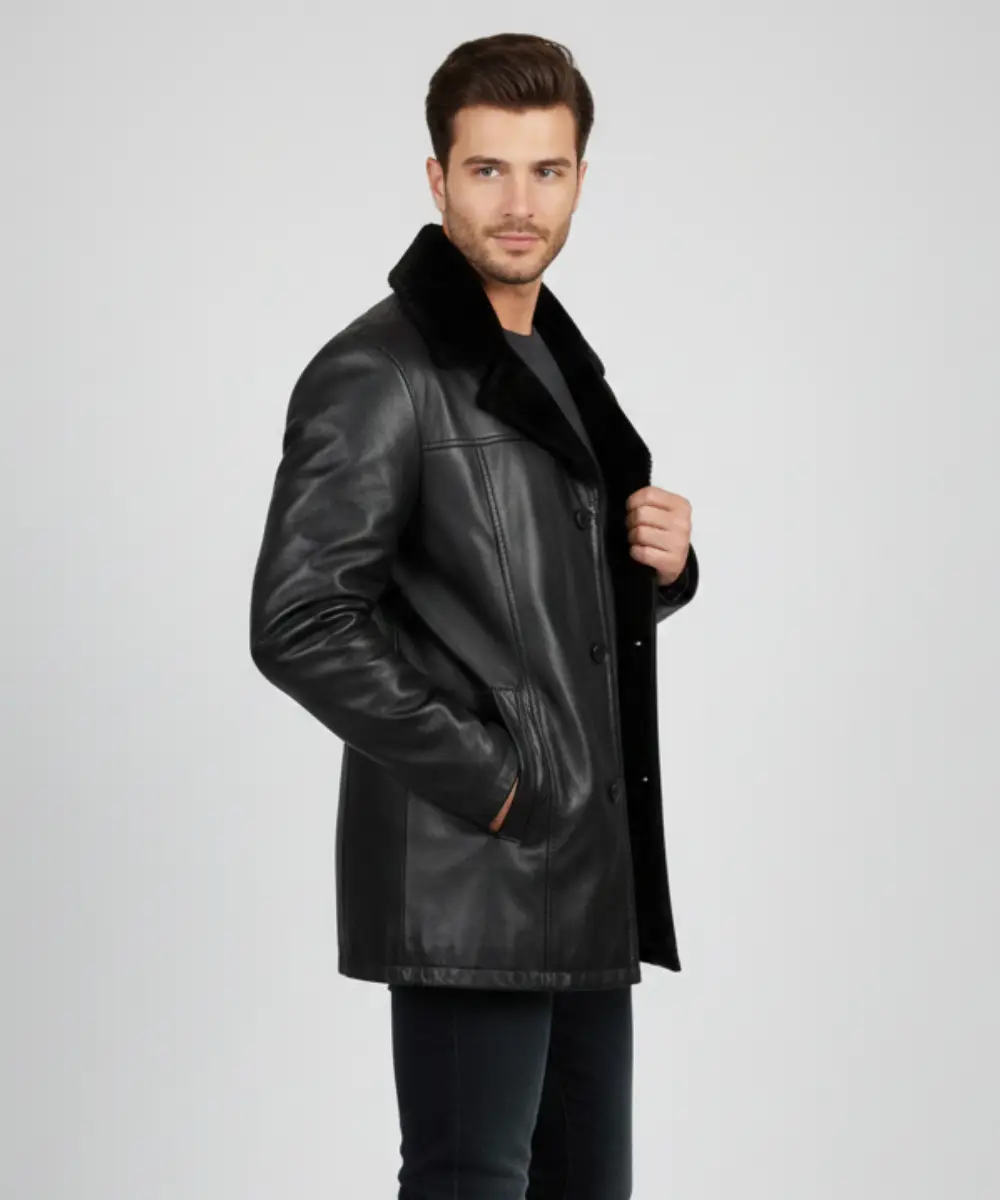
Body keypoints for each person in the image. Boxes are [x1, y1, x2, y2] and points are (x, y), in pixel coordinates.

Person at [249, 31, 699, 1200]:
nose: (518, 203)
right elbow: (300, 619)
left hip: (584, 868)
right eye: (487, 169)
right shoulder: (379, 371)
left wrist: (658, 568)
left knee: (586, 1184)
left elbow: (517, 595)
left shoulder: (551, 357)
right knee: (469, 1180)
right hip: (477, 867)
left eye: (545, 170)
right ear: (437, 177)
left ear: (581, 179)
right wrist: (500, 785)